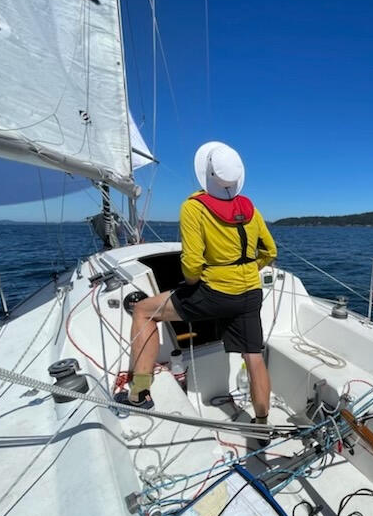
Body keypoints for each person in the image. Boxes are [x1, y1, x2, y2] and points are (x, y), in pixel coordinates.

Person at [116, 141, 277, 430]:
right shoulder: (249, 207)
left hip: (212, 293)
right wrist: (247, 270)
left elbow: (191, 264)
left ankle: (139, 393)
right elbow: (270, 251)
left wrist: (193, 284)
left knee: (142, 310)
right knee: (254, 356)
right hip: (251, 293)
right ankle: (262, 423)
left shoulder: (194, 207)